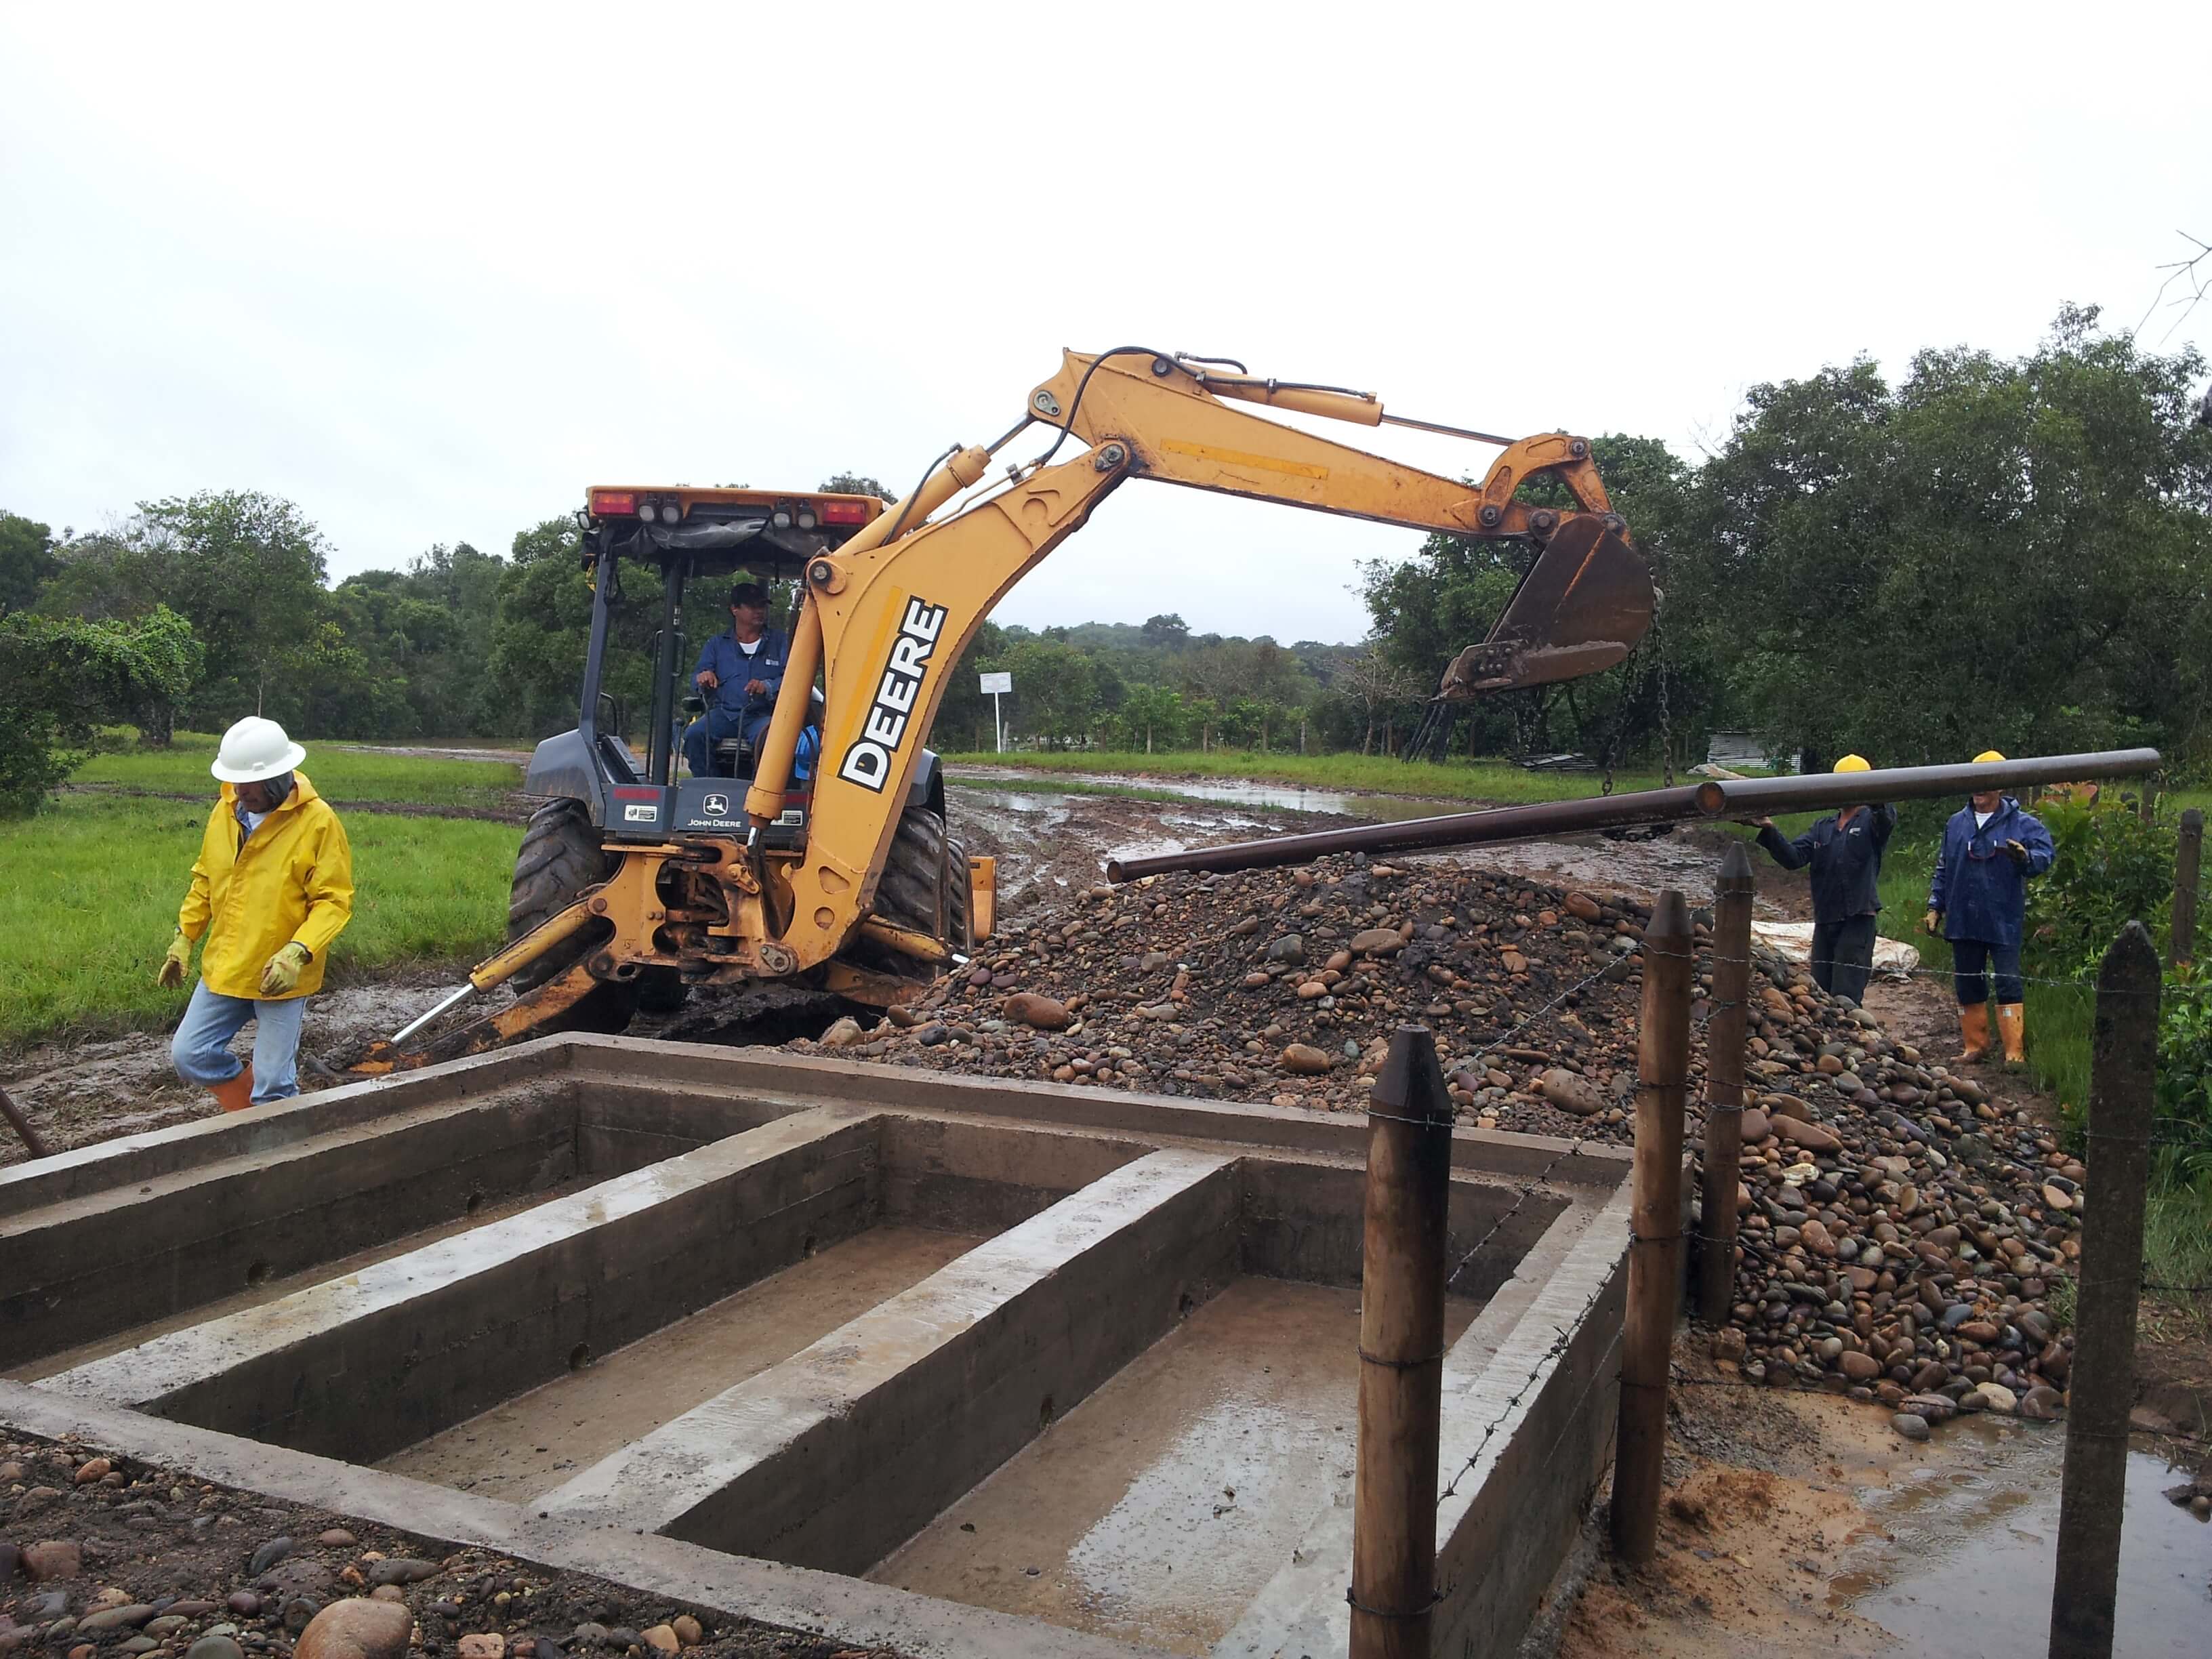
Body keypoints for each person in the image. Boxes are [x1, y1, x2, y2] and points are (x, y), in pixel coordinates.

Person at [158, 716, 354, 1111]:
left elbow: (333, 901)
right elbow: (204, 878)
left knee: (275, 1085)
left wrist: (297, 952)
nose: (239, 791)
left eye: (248, 783)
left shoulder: (318, 823)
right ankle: (248, 1111)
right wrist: (185, 937)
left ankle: (280, 1156)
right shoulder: (227, 810)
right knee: (190, 1055)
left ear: (279, 777)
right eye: (235, 781)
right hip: (228, 963)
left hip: (280, 975)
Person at [1925, 750, 2055, 1066]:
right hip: (1963, 918)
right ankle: (1975, 1046)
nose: (1980, 789)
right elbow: (1944, 867)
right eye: (1975, 782)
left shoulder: (2024, 824)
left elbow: (2044, 857)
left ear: (2001, 786)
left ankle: (2014, 1052)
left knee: (2008, 981)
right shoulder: (1956, 824)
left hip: (2002, 918)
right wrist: (1935, 906)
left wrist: (2026, 858)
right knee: (1968, 981)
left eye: (1987, 783)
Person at [1750, 754, 1897, 1005]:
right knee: (1819, 995)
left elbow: (1885, 817)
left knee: (1845, 997)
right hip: (1826, 919)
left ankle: (1854, 1040)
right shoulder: (1823, 827)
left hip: (1857, 920)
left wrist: (1875, 792)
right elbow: (1794, 858)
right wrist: (1768, 829)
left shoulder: (1872, 821)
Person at [681, 581, 791, 777]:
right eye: (752, 606)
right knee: (694, 734)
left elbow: (793, 680)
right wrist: (703, 678)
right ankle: (709, 787)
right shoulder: (716, 645)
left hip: (761, 716)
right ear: (735, 610)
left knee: (773, 738)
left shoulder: (780, 642)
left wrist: (767, 687)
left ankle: (760, 792)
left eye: (762, 606)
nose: (759, 611)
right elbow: (696, 678)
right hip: (724, 714)